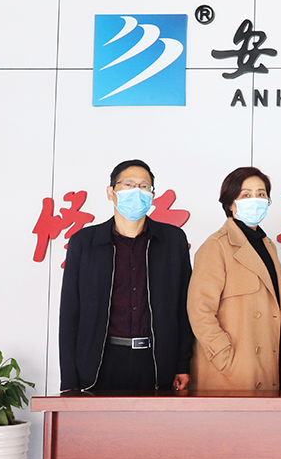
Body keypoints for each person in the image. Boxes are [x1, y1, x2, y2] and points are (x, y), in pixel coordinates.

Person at [59, 159, 194, 391]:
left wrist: (183, 364)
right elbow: (70, 312)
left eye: (144, 187)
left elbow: (184, 306)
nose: (137, 192)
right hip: (100, 362)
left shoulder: (172, 241)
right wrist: (69, 380)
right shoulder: (84, 242)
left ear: (152, 195)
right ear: (110, 192)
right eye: (129, 185)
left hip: (157, 361)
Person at [188, 167, 281, 391]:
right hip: (233, 369)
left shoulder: (268, 246)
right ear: (231, 203)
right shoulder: (217, 245)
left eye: (261, 194)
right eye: (246, 195)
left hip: (268, 364)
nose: (255, 200)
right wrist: (224, 356)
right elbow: (199, 310)